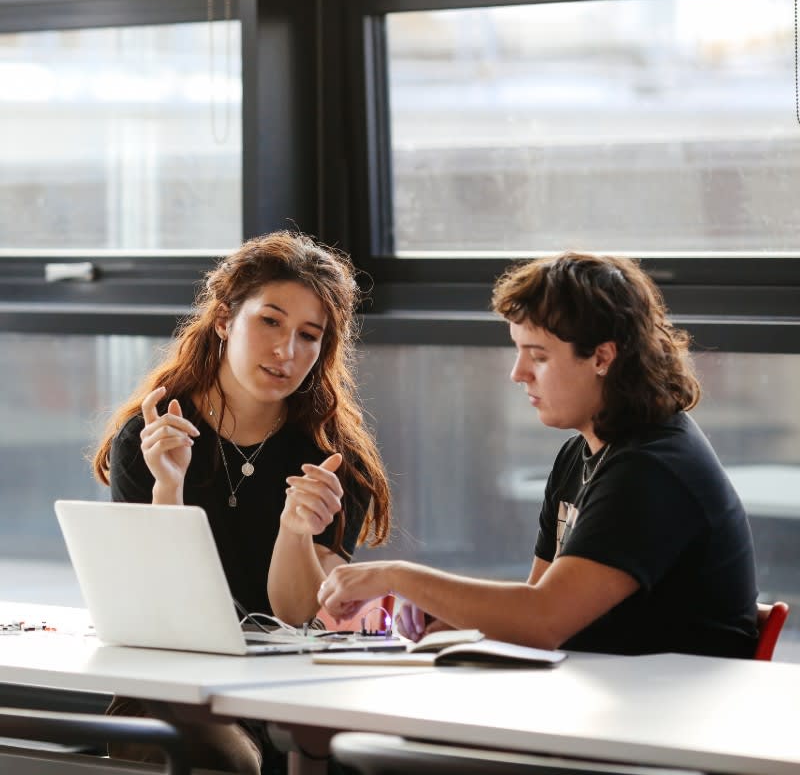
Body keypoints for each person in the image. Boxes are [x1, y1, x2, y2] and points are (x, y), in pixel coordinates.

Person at [317, 251, 759, 659]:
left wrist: (397, 576)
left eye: (538, 356)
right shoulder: (580, 454)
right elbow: (534, 608)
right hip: (605, 702)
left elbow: (543, 620)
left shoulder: (653, 469)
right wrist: (447, 615)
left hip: (664, 724)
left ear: (602, 357)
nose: (518, 373)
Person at [92, 230, 391, 774]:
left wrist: (297, 529)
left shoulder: (330, 457)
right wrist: (168, 488)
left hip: (285, 680)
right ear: (226, 319)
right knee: (218, 757)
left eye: (310, 335)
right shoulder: (154, 435)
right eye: (270, 321)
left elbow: (294, 613)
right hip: (173, 678)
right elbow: (155, 600)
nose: (287, 350)